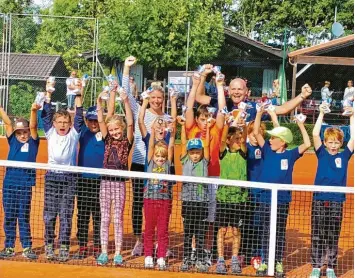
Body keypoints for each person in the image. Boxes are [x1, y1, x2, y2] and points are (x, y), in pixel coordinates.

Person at [253, 102, 311, 277]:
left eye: (273, 138)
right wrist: (259, 113)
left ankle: (277, 262)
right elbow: (256, 132)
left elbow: (307, 143)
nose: (269, 140)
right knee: (264, 231)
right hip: (264, 199)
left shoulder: (291, 154)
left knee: (278, 232)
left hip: (282, 200)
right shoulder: (267, 151)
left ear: (283, 142)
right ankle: (264, 261)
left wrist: (301, 124)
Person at [123, 56, 170, 255]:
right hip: (140, 163)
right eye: (153, 97)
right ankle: (139, 241)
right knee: (138, 202)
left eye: (160, 97)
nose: (156, 100)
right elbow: (125, 93)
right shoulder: (138, 109)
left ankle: (160, 242)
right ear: (148, 98)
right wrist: (126, 68)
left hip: (161, 165)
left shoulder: (168, 117)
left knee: (160, 203)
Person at [185, 68, 226, 264]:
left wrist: (219, 86)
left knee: (210, 219)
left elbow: (222, 109)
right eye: (202, 118)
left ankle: (207, 250)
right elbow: (190, 105)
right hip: (194, 179)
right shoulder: (191, 127)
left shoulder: (217, 128)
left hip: (214, 177)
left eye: (208, 118)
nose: (205, 121)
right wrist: (195, 84)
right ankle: (193, 249)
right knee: (192, 217)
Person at [41, 80, 84, 262]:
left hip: (69, 179)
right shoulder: (50, 132)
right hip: (52, 177)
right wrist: (48, 95)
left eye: (66, 121)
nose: (63, 124)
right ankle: (49, 245)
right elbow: (45, 114)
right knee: (50, 214)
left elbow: (80, 116)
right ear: (54, 123)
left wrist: (78, 95)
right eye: (59, 121)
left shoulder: (74, 134)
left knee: (66, 214)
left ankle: (64, 247)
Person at [309, 105, 354, 278]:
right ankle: (316, 266)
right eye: (330, 142)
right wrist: (321, 113)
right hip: (319, 199)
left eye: (336, 142)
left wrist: (352, 116)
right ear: (325, 142)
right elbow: (315, 134)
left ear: (341, 143)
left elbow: (354, 137)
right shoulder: (321, 153)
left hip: (337, 201)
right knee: (318, 234)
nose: (333, 145)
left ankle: (330, 268)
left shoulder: (344, 156)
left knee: (332, 235)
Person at [95, 86, 134, 266]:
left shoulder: (127, 141)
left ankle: (118, 253)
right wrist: (99, 102)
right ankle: (104, 252)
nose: (114, 132)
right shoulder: (107, 139)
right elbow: (102, 121)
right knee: (105, 218)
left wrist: (125, 100)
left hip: (119, 184)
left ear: (122, 128)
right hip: (105, 183)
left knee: (117, 218)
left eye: (117, 129)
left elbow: (131, 123)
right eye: (112, 130)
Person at [195, 64, 314, 122]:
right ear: (228, 91)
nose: (236, 92)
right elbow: (199, 97)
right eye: (234, 89)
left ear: (246, 92)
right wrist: (204, 75)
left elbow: (282, 109)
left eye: (240, 89)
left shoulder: (254, 106)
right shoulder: (221, 102)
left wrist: (302, 96)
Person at [74, 102, 115, 260]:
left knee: (99, 215)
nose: (94, 123)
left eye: (96, 120)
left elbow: (109, 117)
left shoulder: (105, 135)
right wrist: (79, 94)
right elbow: (77, 117)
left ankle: (98, 246)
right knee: (83, 215)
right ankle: (83, 245)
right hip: (83, 180)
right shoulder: (82, 131)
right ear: (86, 121)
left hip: (101, 182)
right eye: (90, 120)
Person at [0, 103, 40, 260]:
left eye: (25, 132)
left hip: (25, 186)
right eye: (19, 133)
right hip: (9, 185)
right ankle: (9, 247)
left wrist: (33, 110)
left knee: (23, 216)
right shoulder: (13, 142)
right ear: (14, 135)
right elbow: (8, 123)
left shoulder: (33, 143)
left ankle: (27, 247)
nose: (23, 135)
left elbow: (35, 125)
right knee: (9, 216)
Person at [215, 122, 248, 275]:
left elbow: (245, 138)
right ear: (228, 140)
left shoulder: (243, 153)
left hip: (239, 199)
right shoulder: (223, 152)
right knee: (222, 230)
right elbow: (222, 141)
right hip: (223, 198)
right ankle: (220, 259)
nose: (238, 141)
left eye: (239, 139)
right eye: (235, 138)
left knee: (236, 230)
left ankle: (234, 259)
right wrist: (227, 125)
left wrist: (244, 127)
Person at [178, 115, 210, 273]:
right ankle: (186, 258)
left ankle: (199, 258)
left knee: (200, 233)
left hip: (201, 202)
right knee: (188, 232)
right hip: (188, 202)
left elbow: (208, 145)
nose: (195, 155)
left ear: (201, 152)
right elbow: (183, 143)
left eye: (197, 152)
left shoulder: (205, 161)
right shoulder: (185, 161)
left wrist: (208, 129)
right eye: (192, 152)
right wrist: (183, 127)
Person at [143, 127, 175, 270]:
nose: (160, 159)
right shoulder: (150, 163)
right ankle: (148, 256)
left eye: (162, 156)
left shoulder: (168, 164)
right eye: (157, 156)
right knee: (149, 229)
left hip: (164, 201)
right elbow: (150, 146)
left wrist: (173, 134)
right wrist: (152, 130)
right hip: (149, 200)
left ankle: (161, 257)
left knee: (162, 231)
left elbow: (172, 146)